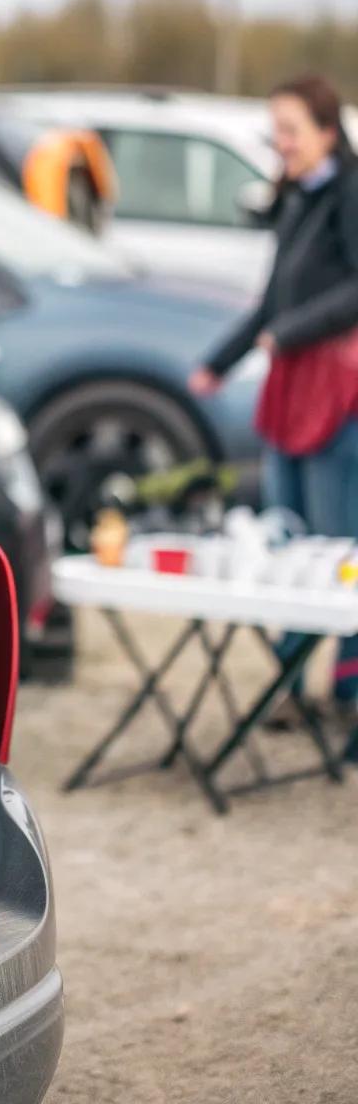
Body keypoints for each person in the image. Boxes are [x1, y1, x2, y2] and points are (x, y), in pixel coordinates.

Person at [189, 75, 358, 716]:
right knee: (286, 541)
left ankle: (347, 690)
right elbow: (272, 298)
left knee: (336, 547)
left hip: (337, 395)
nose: (280, 143)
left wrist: (287, 332)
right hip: (290, 389)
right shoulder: (296, 198)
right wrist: (218, 362)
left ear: (326, 130)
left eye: (290, 131)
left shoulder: (350, 192)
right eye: (275, 131)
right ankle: (287, 686)